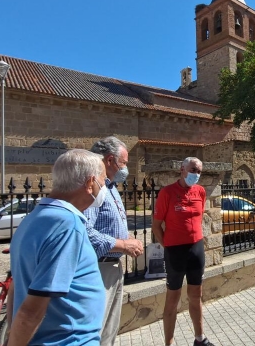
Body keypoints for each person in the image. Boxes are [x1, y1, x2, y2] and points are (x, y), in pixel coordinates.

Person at [7, 149, 107, 346]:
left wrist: (13, 335)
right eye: (103, 181)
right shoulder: (67, 225)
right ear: (90, 183)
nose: (103, 187)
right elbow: (31, 310)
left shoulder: (34, 219)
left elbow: (15, 287)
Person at [84, 136, 144, 345]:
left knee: (109, 332)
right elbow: (86, 232)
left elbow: (108, 225)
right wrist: (122, 245)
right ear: (110, 160)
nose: (126, 168)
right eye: (124, 163)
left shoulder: (111, 188)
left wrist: (127, 239)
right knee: (95, 332)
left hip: (114, 267)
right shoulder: (94, 188)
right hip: (99, 269)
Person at [152, 157, 214, 346]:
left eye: (199, 172)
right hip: (175, 252)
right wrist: (168, 246)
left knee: (196, 296)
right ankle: (169, 343)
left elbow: (198, 218)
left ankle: (199, 338)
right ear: (182, 169)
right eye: (193, 170)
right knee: (173, 299)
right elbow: (156, 225)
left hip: (196, 249)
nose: (197, 174)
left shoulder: (200, 192)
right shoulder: (167, 192)